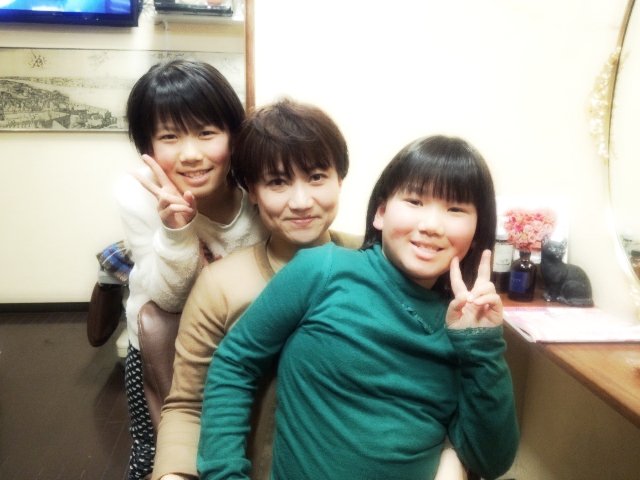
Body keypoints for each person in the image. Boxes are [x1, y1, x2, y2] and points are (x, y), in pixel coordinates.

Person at [197, 135, 520, 480]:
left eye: (456, 209)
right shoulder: (322, 270)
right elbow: (235, 363)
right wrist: (224, 474)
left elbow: (491, 461)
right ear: (381, 212)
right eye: (415, 201)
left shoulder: (466, 325)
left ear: (477, 230)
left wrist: (481, 349)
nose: (431, 225)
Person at [151, 98, 360, 480]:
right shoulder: (221, 284)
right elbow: (189, 407)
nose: (301, 202)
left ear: (339, 180)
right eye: (277, 182)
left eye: (317, 177)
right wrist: (172, 474)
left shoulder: (373, 261)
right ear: (252, 190)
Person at [115, 59, 268, 480]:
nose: (190, 154)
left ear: (233, 134)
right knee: (155, 454)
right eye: (169, 136)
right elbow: (169, 299)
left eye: (206, 132)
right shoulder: (138, 195)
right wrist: (177, 231)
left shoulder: (257, 189)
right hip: (162, 347)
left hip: (244, 348)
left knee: (248, 447)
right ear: (148, 145)